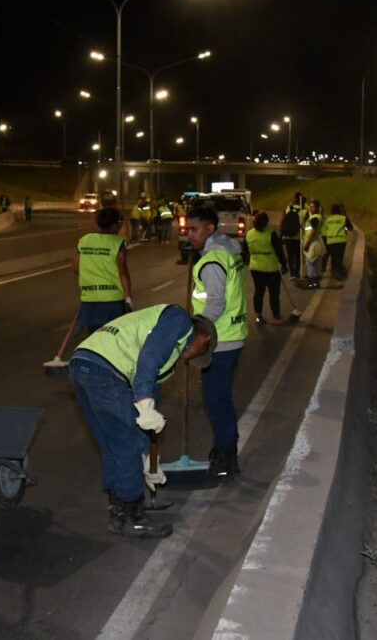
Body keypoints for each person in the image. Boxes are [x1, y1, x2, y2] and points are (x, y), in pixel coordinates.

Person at [68, 305, 216, 538]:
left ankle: (118, 507)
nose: (194, 358)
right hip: (106, 368)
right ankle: (132, 516)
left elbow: (145, 410)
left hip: (83, 364)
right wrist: (145, 404)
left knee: (112, 442)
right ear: (204, 338)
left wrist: (148, 458)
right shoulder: (179, 320)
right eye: (201, 352)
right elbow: (149, 359)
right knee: (125, 444)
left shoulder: (169, 358)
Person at [185, 206, 249, 479]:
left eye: (193, 229)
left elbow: (216, 303)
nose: (189, 235)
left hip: (219, 339)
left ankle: (226, 456)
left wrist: (197, 332)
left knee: (216, 400)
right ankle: (224, 446)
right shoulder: (229, 250)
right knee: (220, 397)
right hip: (232, 335)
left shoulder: (212, 261)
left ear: (210, 229)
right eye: (187, 229)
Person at [72, 207, 133, 334]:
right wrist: (128, 298)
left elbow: (75, 267)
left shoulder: (85, 241)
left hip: (90, 300)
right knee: (113, 337)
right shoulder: (118, 243)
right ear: (116, 224)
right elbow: (123, 272)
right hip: (113, 301)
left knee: (95, 337)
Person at [243, 212, 288, 325]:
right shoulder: (270, 234)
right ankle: (276, 315)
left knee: (259, 291)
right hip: (271, 268)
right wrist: (284, 264)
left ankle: (258, 316)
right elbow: (279, 251)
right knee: (274, 293)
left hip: (255, 268)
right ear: (266, 222)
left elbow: (245, 249)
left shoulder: (249, 234)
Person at [323, 204, 354, 280]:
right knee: (339, 257)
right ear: (339, 211)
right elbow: (350, 228)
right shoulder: (343, 218)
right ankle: (340, 273)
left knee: (333, 257)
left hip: (330, 240)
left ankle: (334, 272)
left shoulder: (328, 219)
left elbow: (325, 231)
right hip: (340, 240)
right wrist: (345, 228)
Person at [279, 192, 305, 279]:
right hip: (297, 236)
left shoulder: (288, 208)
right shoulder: (304, 210)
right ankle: (297, 273)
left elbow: (283, 220)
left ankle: (292, 274)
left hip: (287, 237)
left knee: (290, 256)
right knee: (297, 255)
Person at [302, 200, 326, 289]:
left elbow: (313, 230)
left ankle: (312, 283)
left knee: (310, 263)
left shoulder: (315, 218)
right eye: (310, 206)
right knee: (316, 264)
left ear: (317, 208)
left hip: (313, 243)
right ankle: (316, 283)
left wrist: (307, 242)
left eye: (313, 206)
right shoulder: (317, 217)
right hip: (317, 242)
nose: (311, 208)